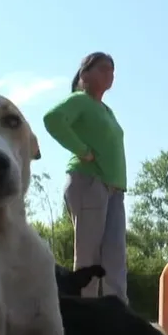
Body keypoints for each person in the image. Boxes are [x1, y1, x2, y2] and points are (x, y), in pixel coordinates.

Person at [43, 52, 128, 302]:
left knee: (115, 256)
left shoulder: (107, 111)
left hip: (114, 189)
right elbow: (52, 119)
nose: (109, 74)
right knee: (88, 257)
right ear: (84, 74)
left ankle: (118, 315)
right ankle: (86, 313)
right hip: (89, 183)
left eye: (112, 70)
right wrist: (82, 150)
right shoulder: (81, 100)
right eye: (103, 69)